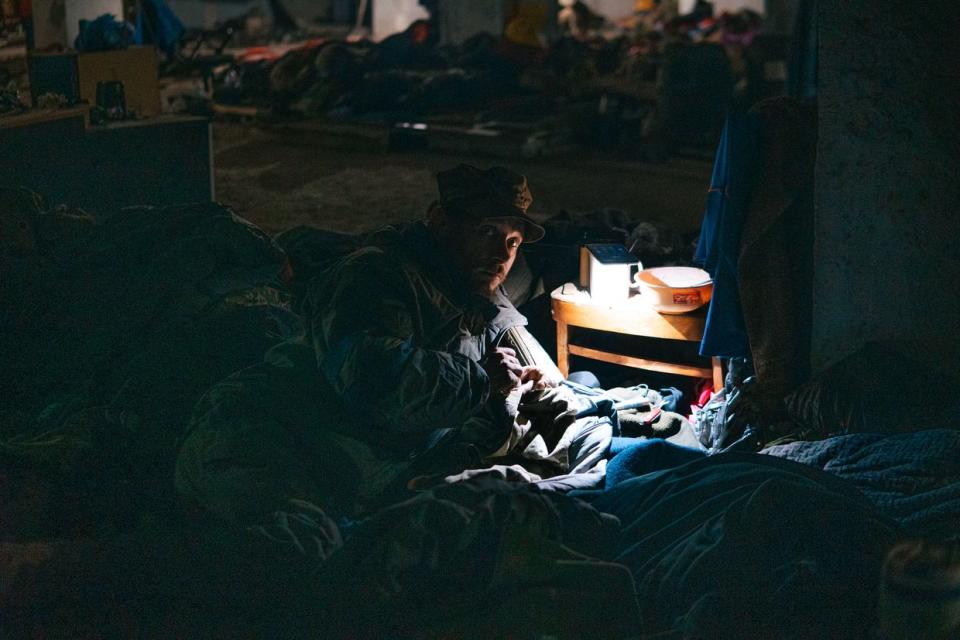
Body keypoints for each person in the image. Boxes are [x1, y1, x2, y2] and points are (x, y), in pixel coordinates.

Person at [175, 164, 561, 526]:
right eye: (487, 233)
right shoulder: (378, 274)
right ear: (441, 222)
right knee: (300, 556)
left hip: (349, 464)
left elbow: (534, 364)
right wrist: (480, 380)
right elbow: (372, 375)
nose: (501, 256)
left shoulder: (477, 288)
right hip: (265, 438)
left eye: (512, 242)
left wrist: (526, 381)